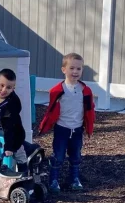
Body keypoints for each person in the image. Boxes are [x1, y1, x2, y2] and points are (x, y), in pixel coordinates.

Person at [38, 53, 95, 192]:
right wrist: (45, 125)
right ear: (64, 70)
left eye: (78, 69)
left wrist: (88, 127)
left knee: (76, 156)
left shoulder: (86, 91)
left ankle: (74, 179)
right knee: (58, 155)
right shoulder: (57, 91)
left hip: (77, 129)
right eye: (71, 68)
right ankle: (54, 180)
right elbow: (51, 111)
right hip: (62, 128)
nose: (75, 72)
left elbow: (89, 110)